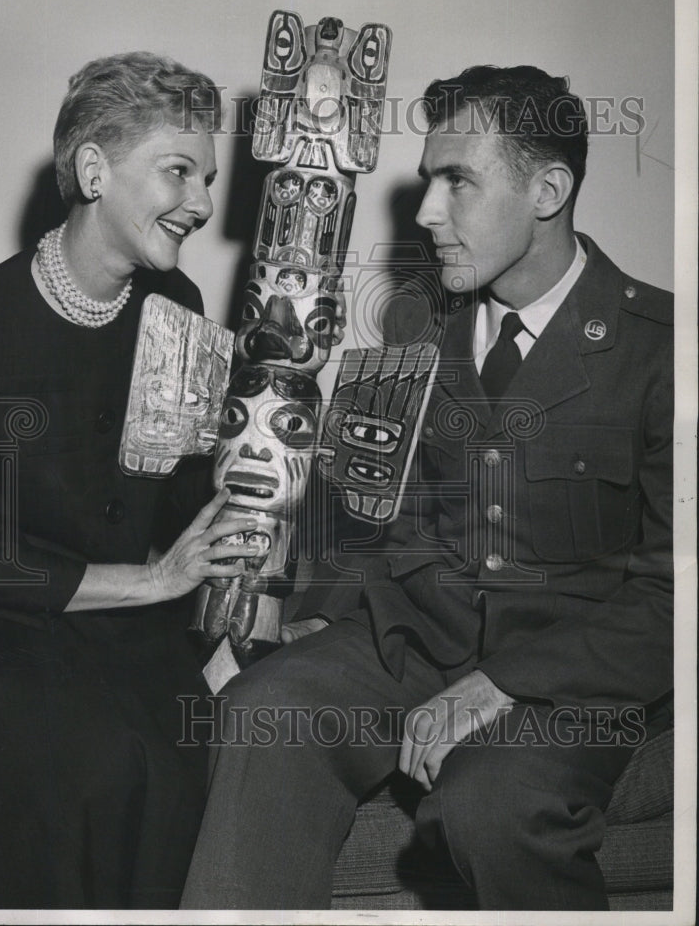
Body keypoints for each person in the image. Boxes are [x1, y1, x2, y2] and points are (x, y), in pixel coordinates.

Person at [179, 65, 674, 911]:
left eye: (459, 181)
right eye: (427, 179)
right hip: (416, 642)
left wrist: (501, 686)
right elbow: (376, 506)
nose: (425, 213)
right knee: (266, 711)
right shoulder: (417, 321)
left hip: (567, 677)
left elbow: (675, 596)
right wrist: (317, 615)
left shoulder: (659, 348)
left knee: (493, 802)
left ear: (548, 189)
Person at [0, 51, 261, 909]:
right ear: (94, 169)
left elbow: (188, 505)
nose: (204, 203)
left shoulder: (177, 306)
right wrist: (152, 580)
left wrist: (258, 473)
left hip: (139, 641)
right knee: (88, 767)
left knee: (181, 765)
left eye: (208, 177)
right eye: (178, 171)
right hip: (3, 640)